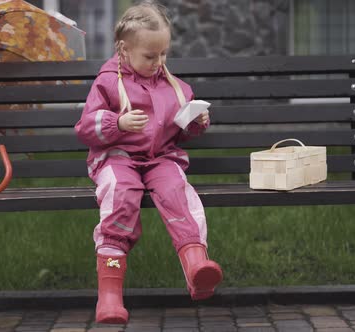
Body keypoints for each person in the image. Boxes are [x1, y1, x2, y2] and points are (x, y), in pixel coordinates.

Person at [74, 0, 223, 324]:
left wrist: (194, 122)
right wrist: (118, 124)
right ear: (124, 50)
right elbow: (86, 128)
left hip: (160, 159)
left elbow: (178, 134)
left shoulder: (175, 87)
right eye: (150, 56)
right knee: (120, 193)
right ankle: (110, 295)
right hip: (118, 158)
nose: (158, 62)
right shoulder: (107, 82)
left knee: (176, 190)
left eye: (163, 54)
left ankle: (196, 264)